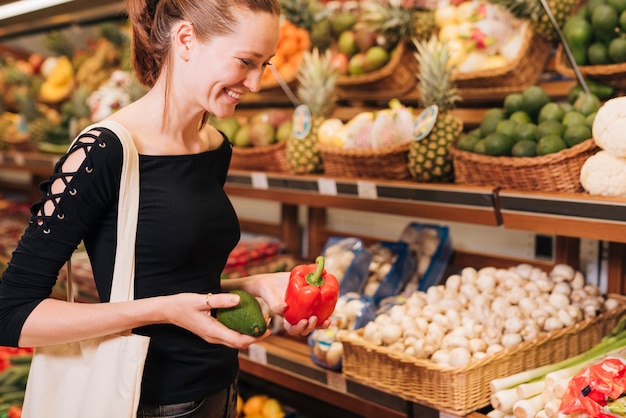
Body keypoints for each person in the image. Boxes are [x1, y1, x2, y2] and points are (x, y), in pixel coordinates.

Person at [0, 0, 327, 417]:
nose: (257, 82)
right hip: (144, 401)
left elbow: (177, 276)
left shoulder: (213, 147)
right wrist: (160, 311)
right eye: (246, 61)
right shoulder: (105, 151)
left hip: (221, 390)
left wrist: (256, 286)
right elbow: (12, 313)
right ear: (186, 39)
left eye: (265, 64)